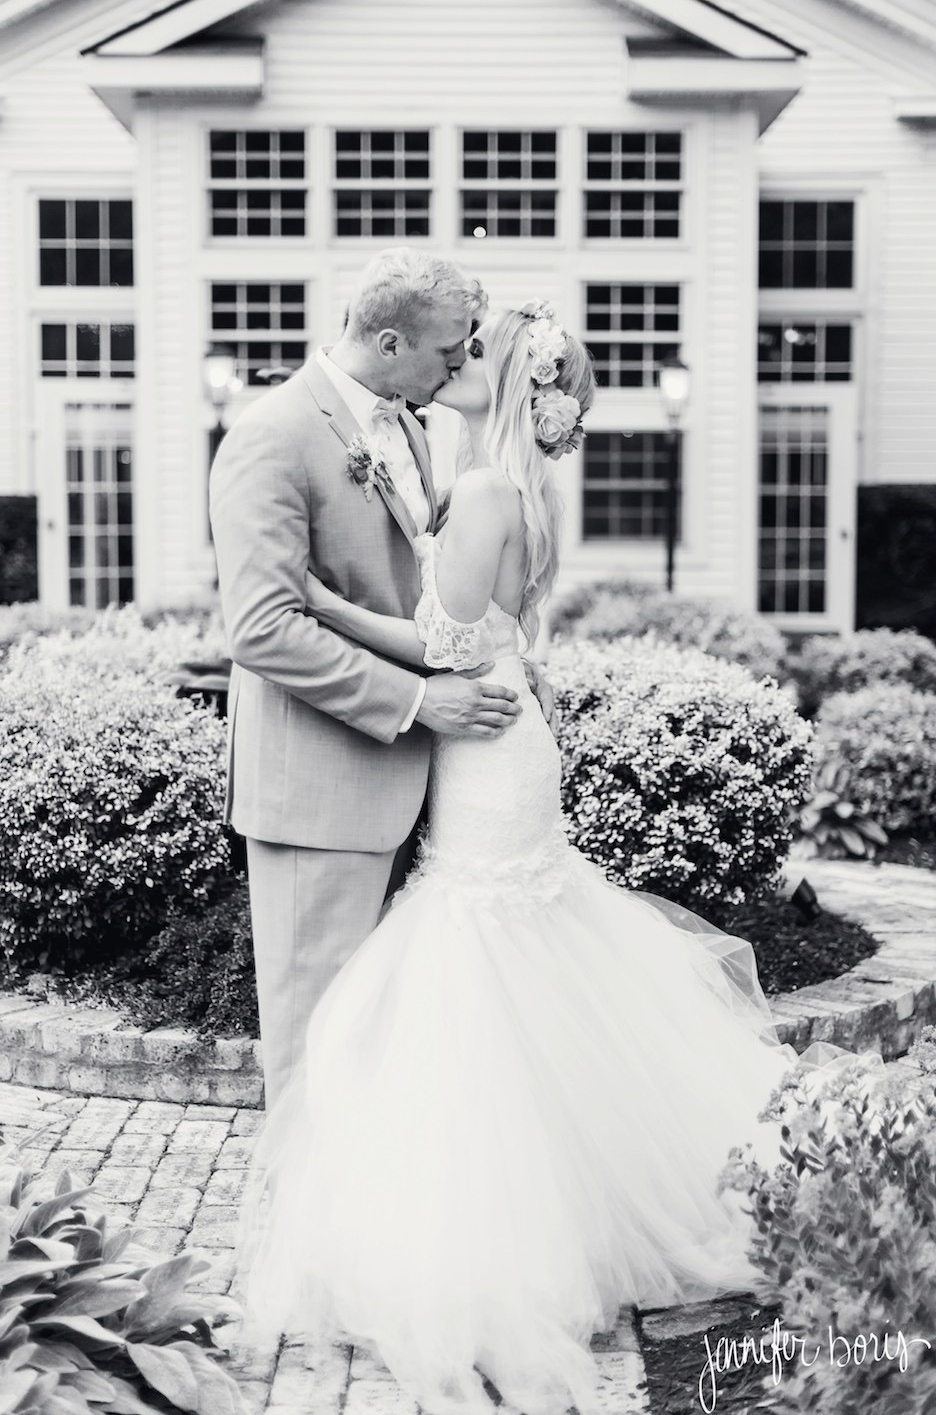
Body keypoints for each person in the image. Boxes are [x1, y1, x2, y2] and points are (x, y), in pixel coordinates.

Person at [233, 302, 871, 1414]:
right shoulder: (510, 487)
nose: (456, 358)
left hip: (482, 743)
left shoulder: (484, 489)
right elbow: (502, 635)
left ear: (508, 384)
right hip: (500, 734)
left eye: (473, 351)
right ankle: (558, 1204)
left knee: (476, 961)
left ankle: (497, 1234)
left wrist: (327, 606)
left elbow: (445, 642)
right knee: (512, 958)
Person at [209, 249, 554, 1111]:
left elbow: (436, 595)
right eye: (449, 347)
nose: (463, 359)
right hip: (320, 793)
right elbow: (261, 628)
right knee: (314, 1045)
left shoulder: (415, 427)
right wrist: (418, 701)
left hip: (423, 792)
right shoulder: (272, 435)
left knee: (380, 1054)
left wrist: (501, 657)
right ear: (391, 342)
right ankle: (294, 1202)